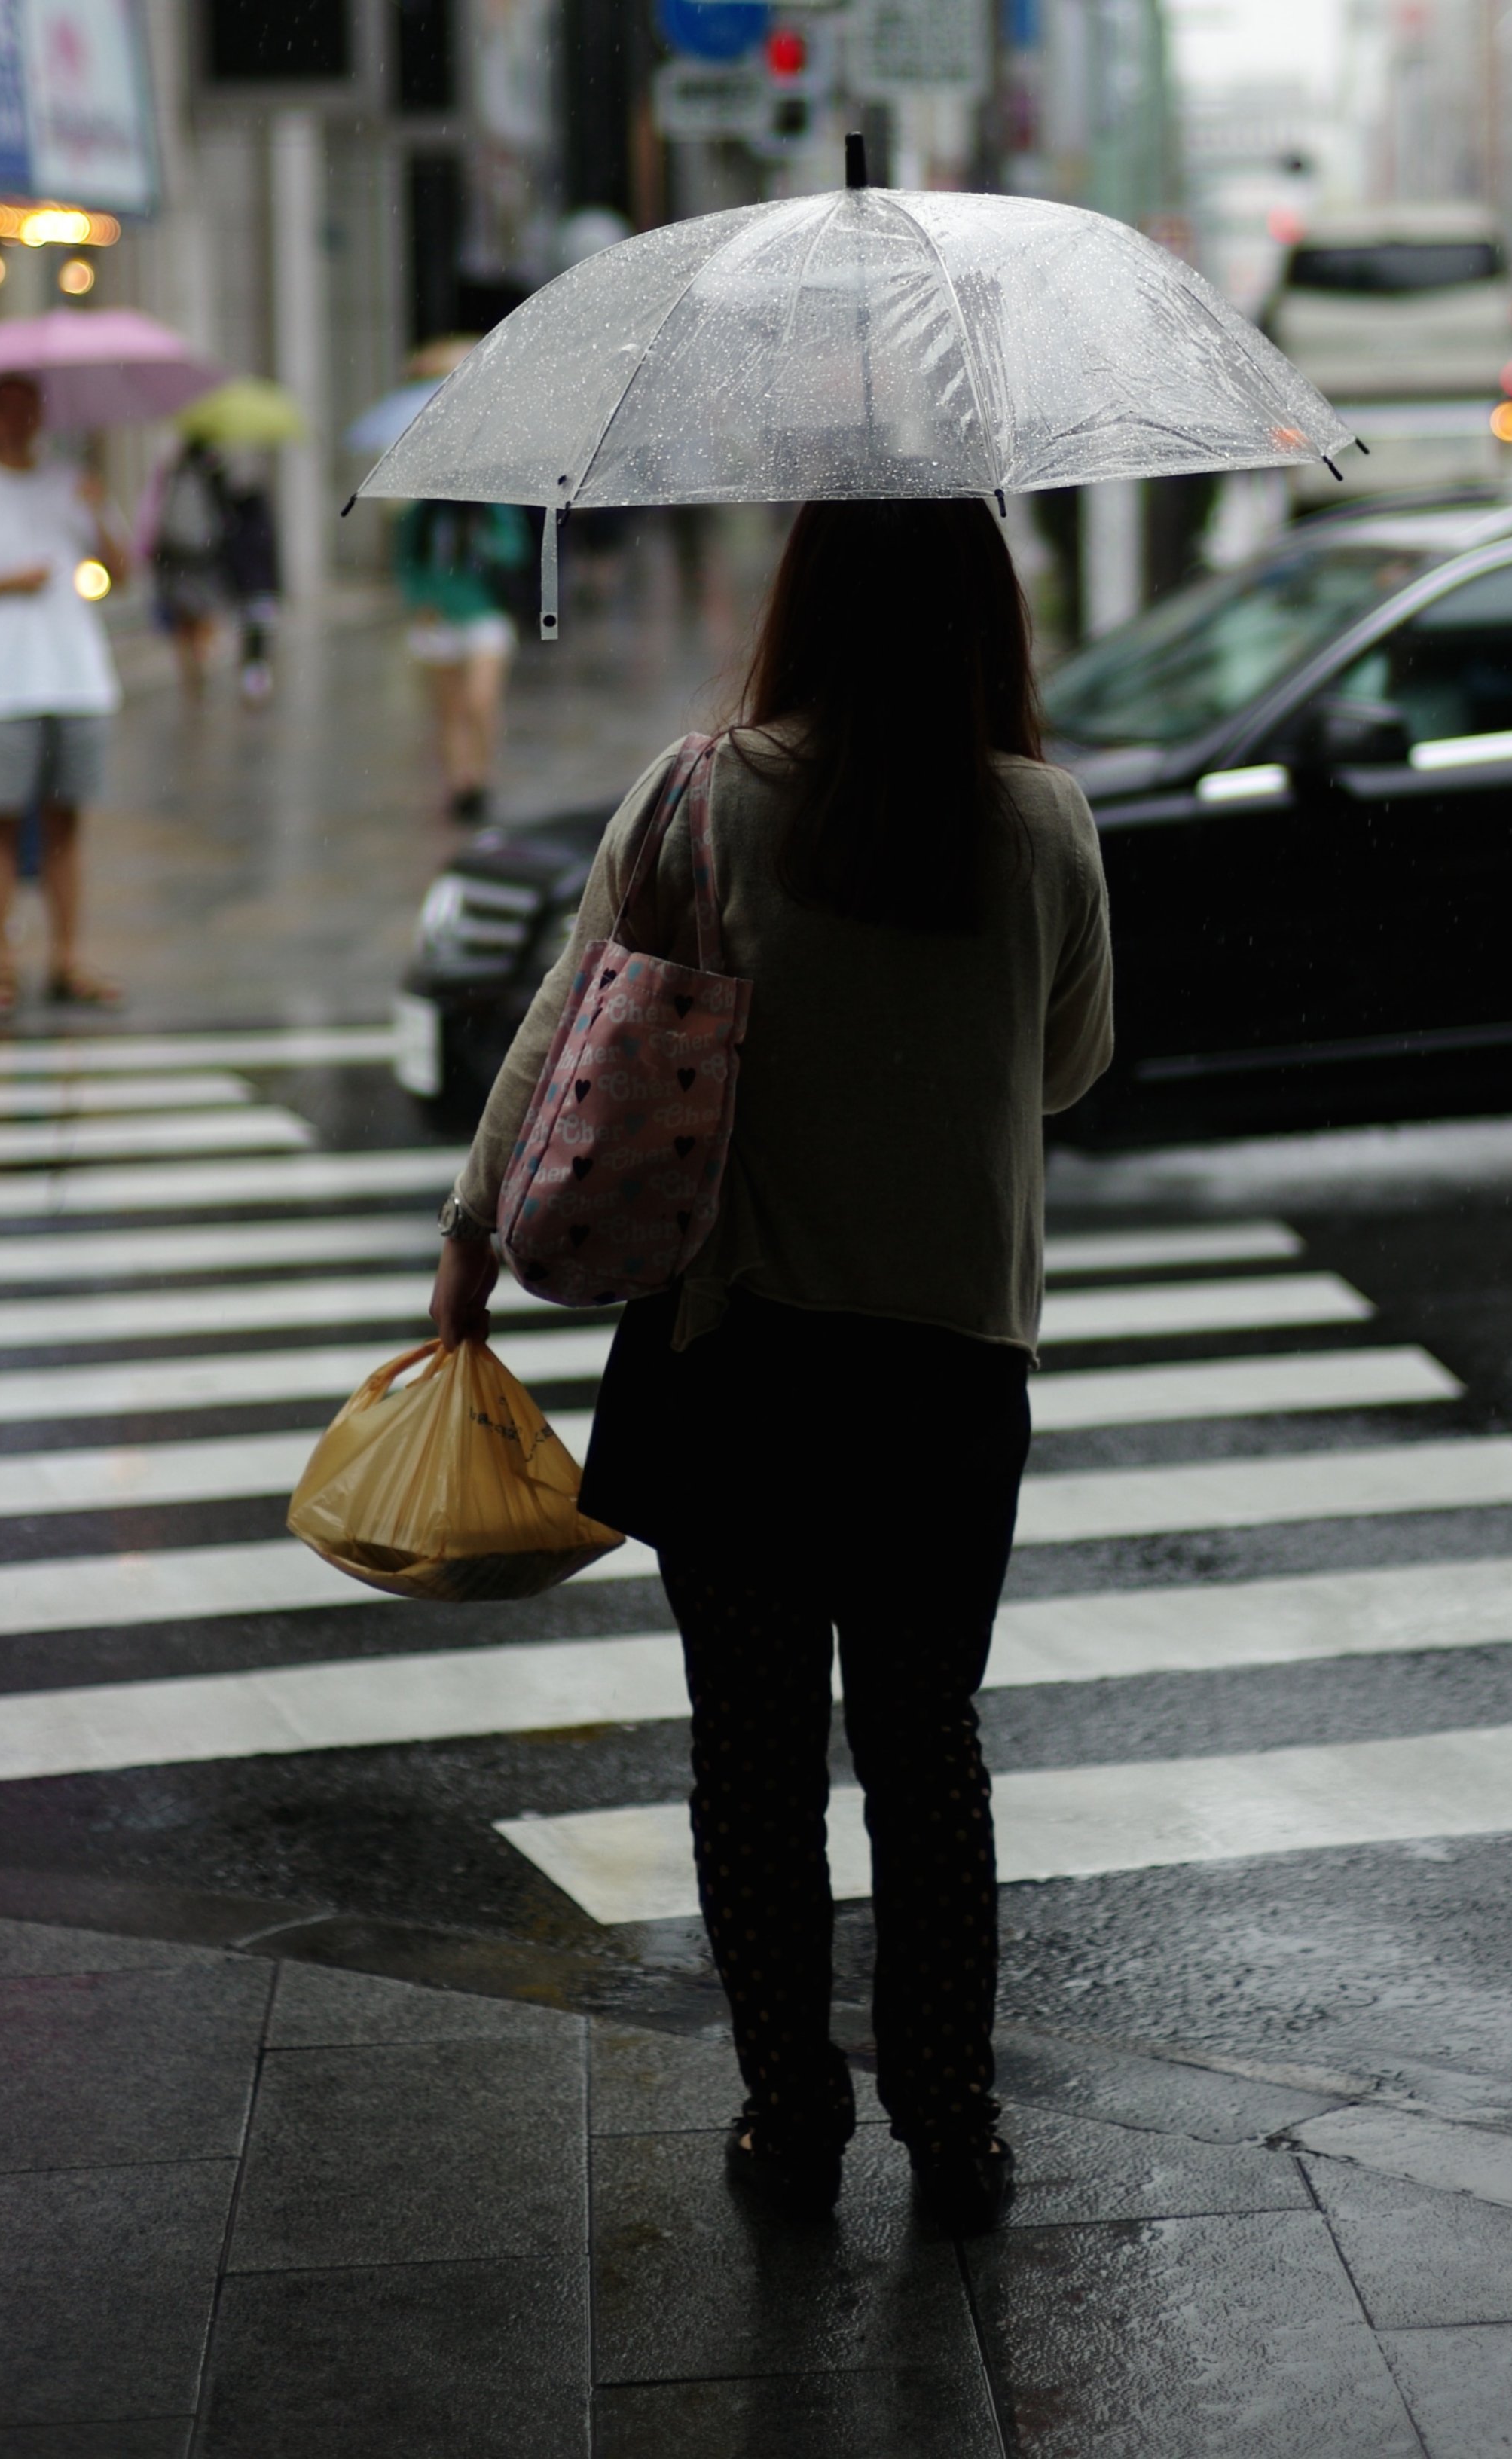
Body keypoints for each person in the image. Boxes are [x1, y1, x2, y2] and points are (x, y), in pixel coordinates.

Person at [429, 499, 1116, 2232]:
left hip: (732, 1368)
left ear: (798, 603)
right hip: (945, 1377)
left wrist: (466, 1244)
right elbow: (1067, 1067)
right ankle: (952, 2125)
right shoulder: (1039, 820)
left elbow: (568, 1024)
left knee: (750, 1756)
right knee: (921, 1746)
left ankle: (787, 2112)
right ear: (989, 614)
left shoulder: (700, 794)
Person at [0, 371, 128, 1016]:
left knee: (67, 825)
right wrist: (7, 583)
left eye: (26, 409)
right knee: (1, 823)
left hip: (76, 676)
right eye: (3, 411)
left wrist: (98, 510)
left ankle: (67, 957)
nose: (16, 423)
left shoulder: (71, 483)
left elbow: (123, 572)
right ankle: (1, 962)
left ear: (41, 414)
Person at [394, 497, 529, 825]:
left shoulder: (493, 508)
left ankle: (483, 777)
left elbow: (516, 550)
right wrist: (419, 599)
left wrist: (482, 541)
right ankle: (460, 785)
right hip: (439, 617)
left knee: (480, 702)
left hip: (485, 613)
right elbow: (407, 560)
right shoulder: (423, 513)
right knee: (449, 710)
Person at [138, 436, 231, 698]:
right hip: (204, 561)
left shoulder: (171, 475)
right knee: (202, 616)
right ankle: (202, 663)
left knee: (182, 621)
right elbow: (223, 523)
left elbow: (152, 518)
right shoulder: (212, 475)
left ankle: (189, 671)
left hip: (175, 562)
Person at [221, 458, 280, 705]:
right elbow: (274, 563)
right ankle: (258, 682)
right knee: (260, 641)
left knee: (249, 642)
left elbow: (231, 565)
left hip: (246, 595)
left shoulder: (237, 533)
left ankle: (252, 682)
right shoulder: (264, 530)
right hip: (263, 593)